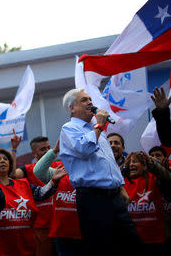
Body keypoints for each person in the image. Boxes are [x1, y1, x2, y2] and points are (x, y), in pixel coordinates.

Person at [59, 88, 143, 256]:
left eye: (90, 99)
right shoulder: (68, 129)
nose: (90, 102)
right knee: (101, 248)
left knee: (132, 245)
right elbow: (84, 149)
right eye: (84, 100)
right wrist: (98, 126)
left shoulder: (97, 130)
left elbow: (109, 162)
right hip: (93, 198)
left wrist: (121, 186)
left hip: (114, 196)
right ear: (71, 108)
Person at [0, 143, 65, 256]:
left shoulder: (23, 183)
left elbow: (41, 193)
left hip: (27, 246)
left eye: (6, 159)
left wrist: (53, 181)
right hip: (0, 248)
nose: (3, 161)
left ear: (10, 163)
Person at [33, 140, 85, 256]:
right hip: (62, 234)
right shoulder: (60, 171)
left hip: (86, 232)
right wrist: (54, 151)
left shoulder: (89, 172)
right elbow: (38, 171)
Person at [123, 151, 170, 255]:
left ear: (144, 166)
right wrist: (123, 167)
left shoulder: (155, 178)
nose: (131, 164)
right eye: (129, 163)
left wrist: (153, 164)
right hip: (130, 240)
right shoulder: (123, 181)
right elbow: (112, 176)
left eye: (135, 161)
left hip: (155, 241)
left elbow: (167, 179)